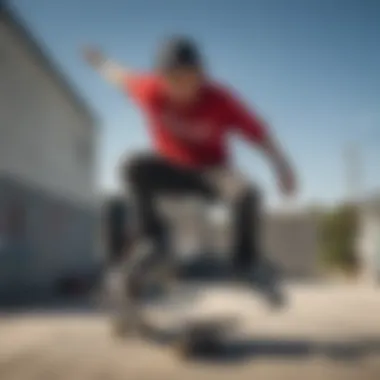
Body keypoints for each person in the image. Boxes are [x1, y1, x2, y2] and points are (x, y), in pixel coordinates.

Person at [82, 36, 297, 312]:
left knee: (247, 191)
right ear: (162, 78)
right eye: (175, 79)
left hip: (212, 174)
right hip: (171, 169)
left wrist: (283, 166)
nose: (183, 87)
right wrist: (100, 61)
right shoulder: (149, 91)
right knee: (133, 166)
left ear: (201, 75)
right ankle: (152, 240)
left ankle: (246, 264)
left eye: (190, 78)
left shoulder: (220, 99)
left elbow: (260, 134)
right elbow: (121, 77)